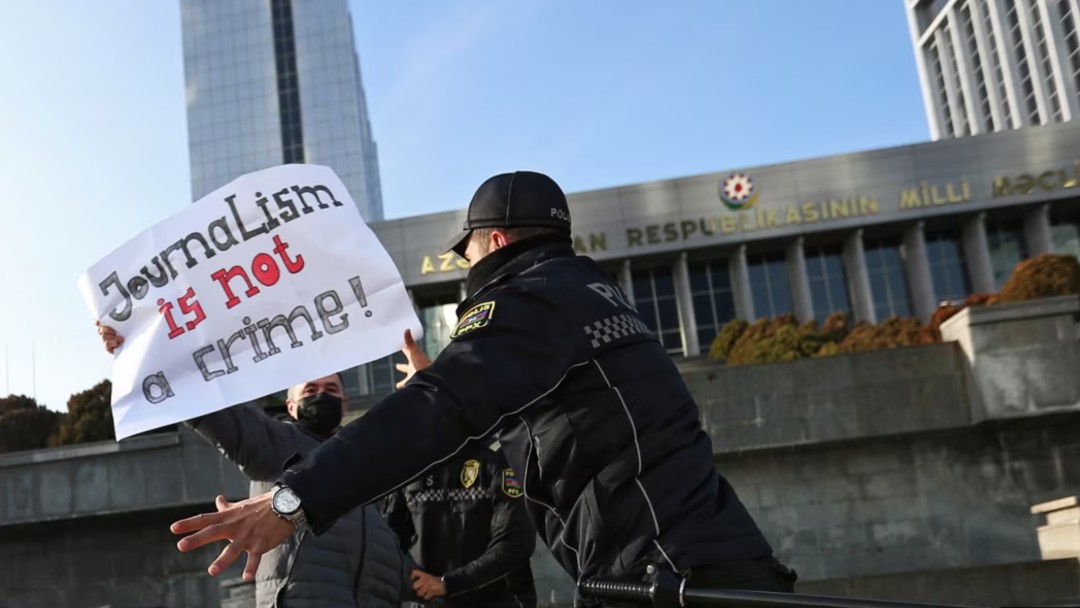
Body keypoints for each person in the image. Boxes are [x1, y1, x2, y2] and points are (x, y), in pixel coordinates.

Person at [169, 170, 798, 602]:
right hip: (687, 564)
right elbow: (544, 429)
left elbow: (444, 410)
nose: (466, 266)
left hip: (666, 574)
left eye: (466, 252)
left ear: (494, 240)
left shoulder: (529, 299)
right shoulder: (584, 295)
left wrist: (290, 502)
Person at [98, 325, 413, 608]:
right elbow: (209, 404)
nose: (321, 396)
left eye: (331, 391)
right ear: (290, 406)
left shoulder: (366, 460)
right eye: (310, 391)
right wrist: (142, 351)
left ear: (345, 404)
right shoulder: (275, 442)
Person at [382, 436, 537, 608]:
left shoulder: (499, 457)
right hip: (427, 602)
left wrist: (448, 583)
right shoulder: (411, 463)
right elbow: (389, 538)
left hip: (497, 601)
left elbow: (516, 542)